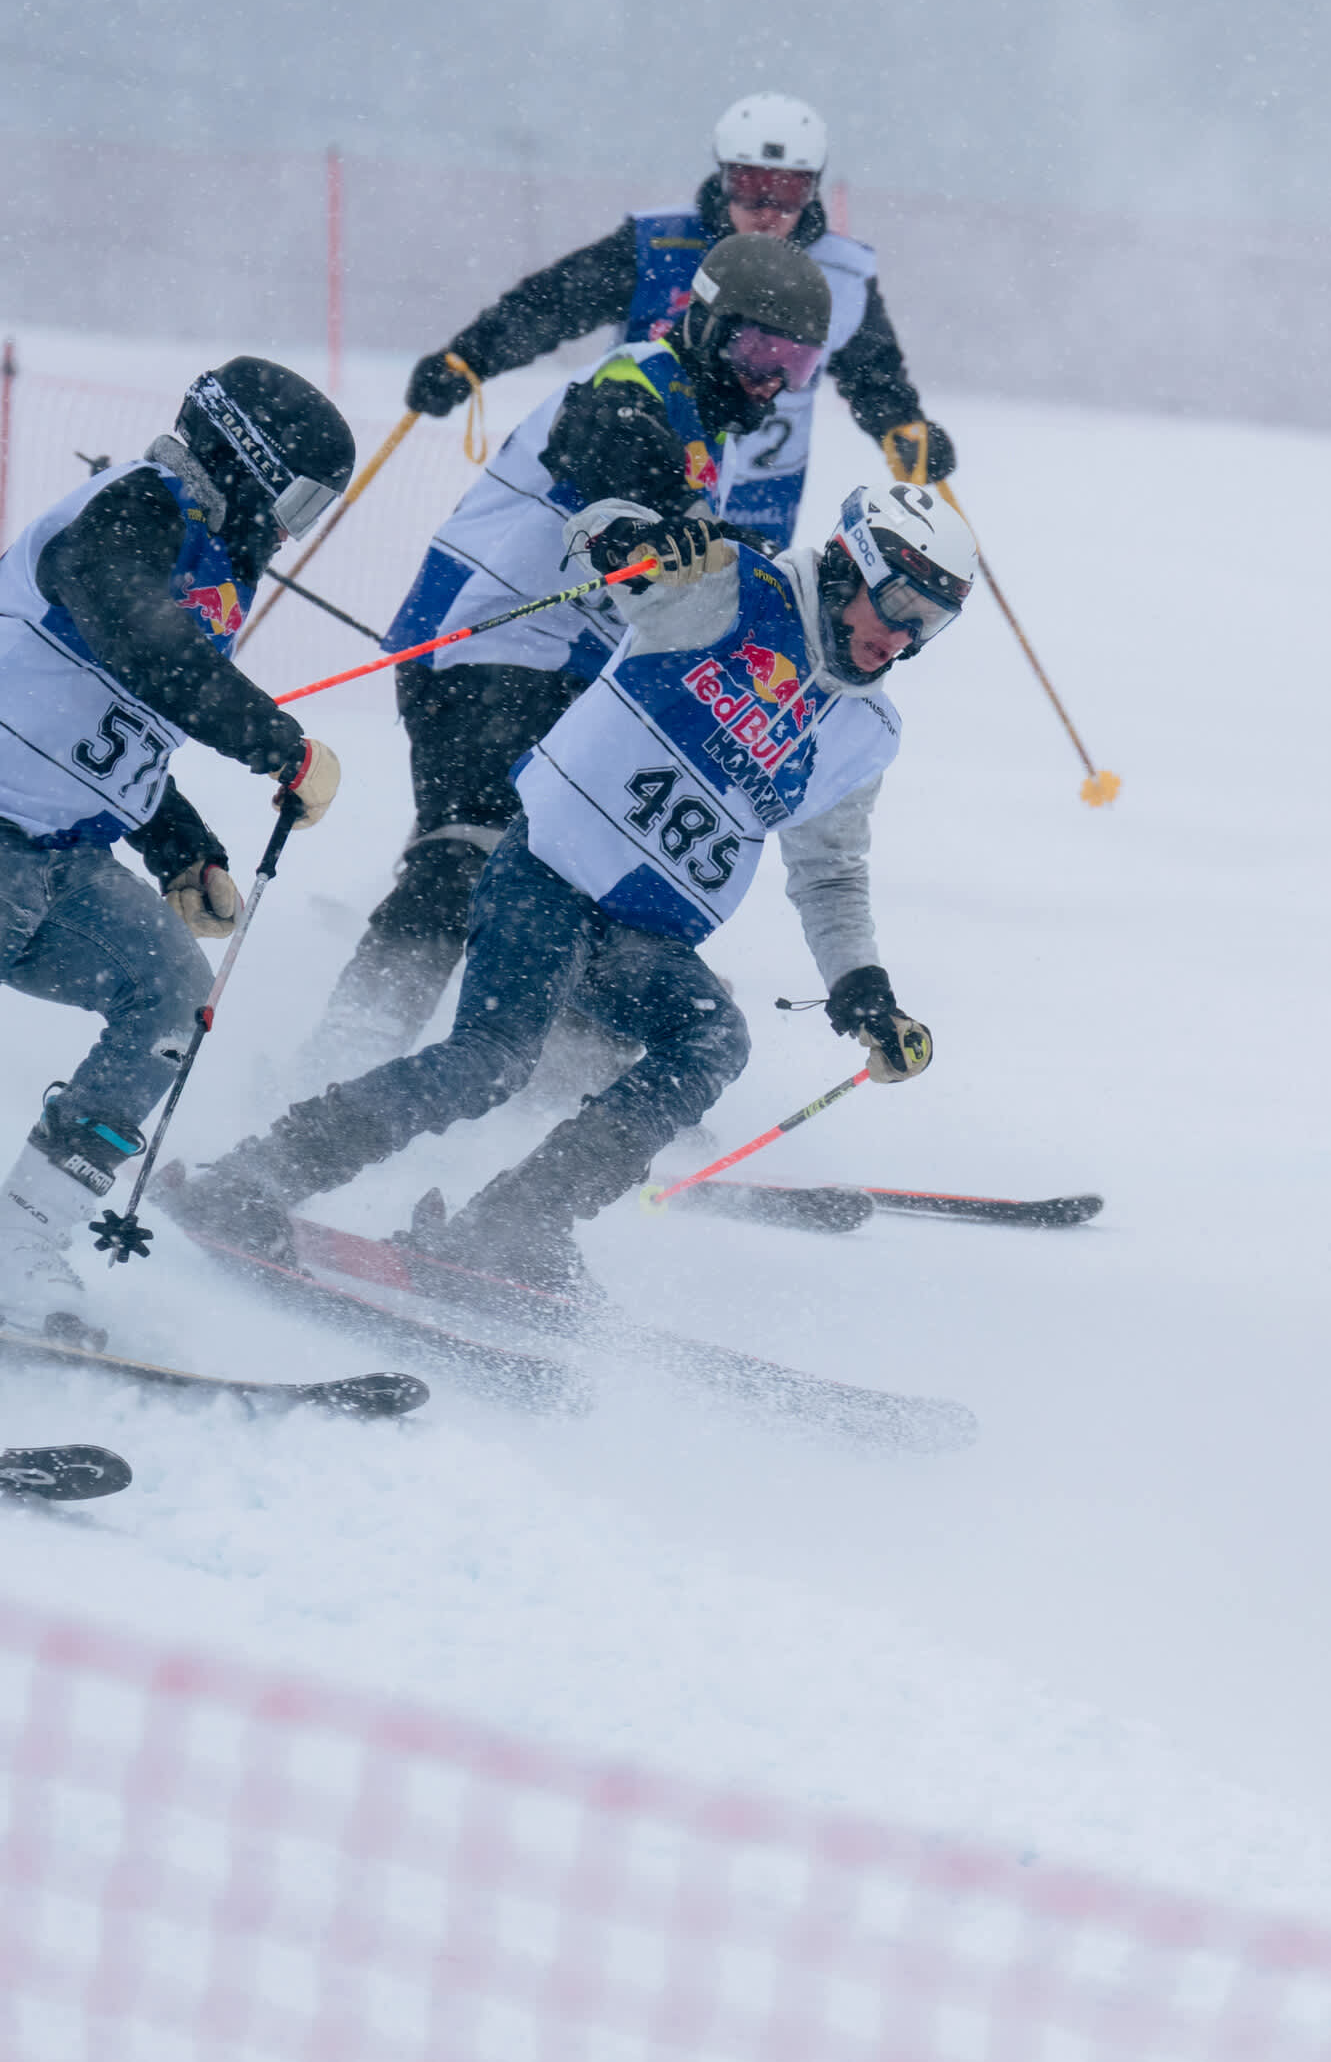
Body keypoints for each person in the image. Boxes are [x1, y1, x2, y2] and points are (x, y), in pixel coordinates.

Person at [173, 482, 970, 1296]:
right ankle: (254, 1176)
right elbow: (592, 532)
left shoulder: (866, 731)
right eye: (898, 602)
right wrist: (639, 537)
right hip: (548, 875)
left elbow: (831, 872)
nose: (902, 635)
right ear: (846, 565)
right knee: (492, 1061)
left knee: (713, 1038)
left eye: (930, 622)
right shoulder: (733, 590)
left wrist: (863, 987)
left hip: (645, 938)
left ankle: (515, 1225)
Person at [304, 232, 835, 1077]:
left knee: (571, 870)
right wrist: (667, 513)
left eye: (794, 366)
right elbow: (600, 439)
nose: (769, 381)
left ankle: (570, 1073)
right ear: (705, 323)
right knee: (470, 849)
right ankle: (349, 1048)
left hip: (569, 674)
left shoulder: (717, 438)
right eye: (758, 352)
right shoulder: (639, 377)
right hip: (481, 641)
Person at [0, 361, 349, 1322]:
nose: (293, 527)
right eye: (300, 500)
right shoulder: (131, 508)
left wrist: (181, 850)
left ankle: (21, 1242)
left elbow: (121, 721)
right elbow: (144, 647)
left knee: (170, 1000)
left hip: (57, 861)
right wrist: (279, 745)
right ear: (249, 460)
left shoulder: (208, 562)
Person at [399, 94, 953, 547]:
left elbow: (873, 371)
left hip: (762, 492)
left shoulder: (844, 274)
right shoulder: (658, 245)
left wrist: (903, 427)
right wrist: (471, 357)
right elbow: (554, 303)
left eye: (787, 190)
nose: (767, 209)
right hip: (642, 466)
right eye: (750, 185)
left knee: (734, 626)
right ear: (724, 177)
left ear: (812, 189)